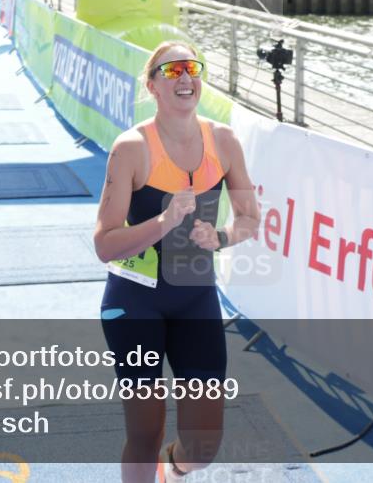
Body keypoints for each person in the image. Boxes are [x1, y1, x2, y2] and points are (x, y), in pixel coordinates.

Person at [93, 36, 259, 483]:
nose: (185, 77)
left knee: (204, 447)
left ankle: (172, 470)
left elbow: (250, 219)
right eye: (171, 71)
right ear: (153, 86)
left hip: (194, 299)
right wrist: (165, 221)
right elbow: (105, 243)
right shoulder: (131, 148)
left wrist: (220, 236)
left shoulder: (224, 142)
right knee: (145, 431)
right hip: (135, 301)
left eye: (192, 68)